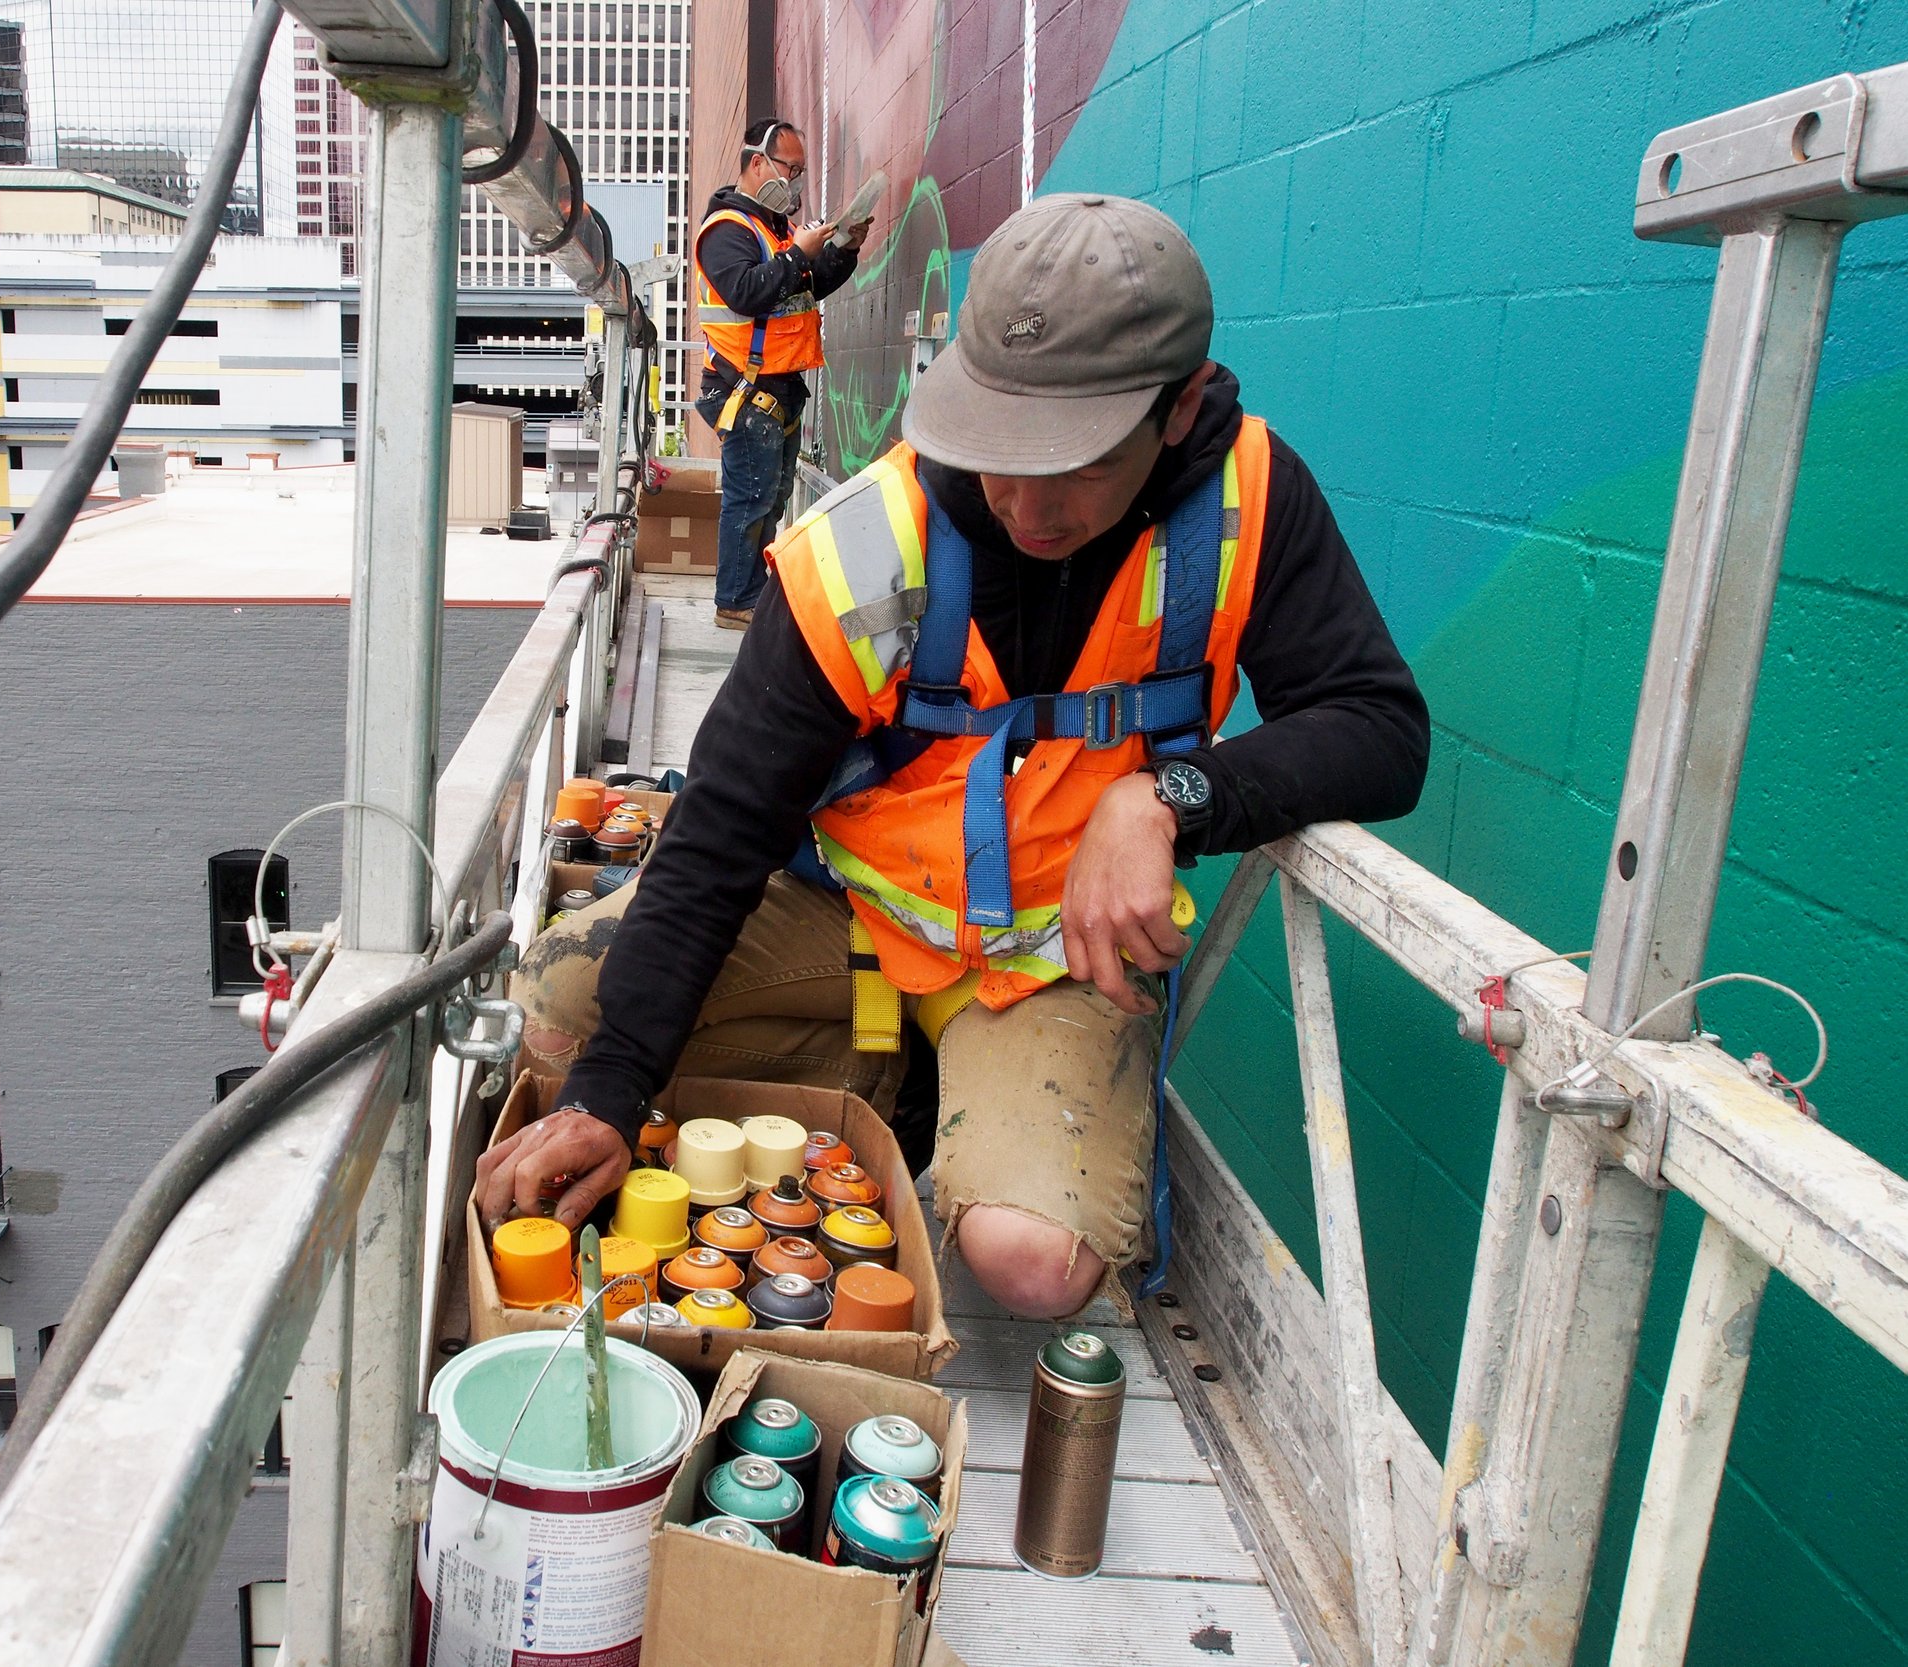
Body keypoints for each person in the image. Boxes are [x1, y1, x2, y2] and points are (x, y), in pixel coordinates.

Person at [475, 194, 1428, 1322]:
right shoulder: (871, 544)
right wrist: (607, 1087)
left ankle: (944, 1090)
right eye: (997, 447)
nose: (1022, 501)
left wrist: (1168, 796)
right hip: (850, 916)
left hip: (1045, 958)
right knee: (562, 999)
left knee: (1035, 1265)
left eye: (1070, 462)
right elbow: (725, 827)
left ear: (1175, 412)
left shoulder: (1249, 499)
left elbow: (1379, 728)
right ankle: (898, 1084)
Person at [694, 119, 869, 631]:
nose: (794, 182)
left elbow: (806, 286)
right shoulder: (727, 230)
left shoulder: (776, 230)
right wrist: (799, 254)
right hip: (746, 388)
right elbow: (749, 292)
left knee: (769, 499)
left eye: (798, 172)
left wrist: (843, 250)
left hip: (777, 387)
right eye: (789, 169)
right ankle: (736, 600)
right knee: (750, 499)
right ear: (757, 164)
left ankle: (751, 595)